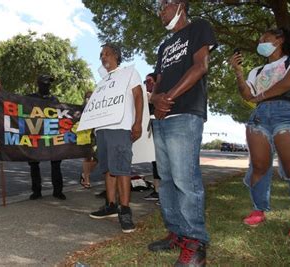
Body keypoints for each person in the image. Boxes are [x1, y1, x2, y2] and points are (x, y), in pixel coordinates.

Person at [148, 1, 217, 266]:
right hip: (162, 117)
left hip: (186, 113)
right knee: (166, 180)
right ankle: (176, 232)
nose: (161, 10)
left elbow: (201, 66)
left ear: (180, 5)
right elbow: (159, 80)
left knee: (185, 179)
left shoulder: (199, 27)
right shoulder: (164, 46)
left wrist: (169, 98)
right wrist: (156, 100)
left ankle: (195, 243)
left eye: (165, 4)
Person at [229, 28, 290, 241]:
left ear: (280, 39)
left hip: (288, 112)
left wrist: (259, 96)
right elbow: (247, 94)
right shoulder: (255, 71)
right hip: (260, 116)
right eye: (259, 38)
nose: (260, 41)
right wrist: (238, 72)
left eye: (265, 37)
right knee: (259, 165)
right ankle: (258, 209)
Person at [88, 43, 144, 234]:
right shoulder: (102, 82)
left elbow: (138, 97)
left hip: (120, 127)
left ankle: (125, 210)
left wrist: (137, 123)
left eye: (107, 54)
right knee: (108, 168)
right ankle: (110, 205)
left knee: (122, 169)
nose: (103, 57)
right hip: (102, 130)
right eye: (101, 55)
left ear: (116, 56)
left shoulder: (128, 73)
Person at [142, 73, 161, 203]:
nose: (147, 84)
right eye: (145, 82)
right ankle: (157, 191)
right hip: (151, 133)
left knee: (163, 162)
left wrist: (153, 99)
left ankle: (165, 192)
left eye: (149, 81)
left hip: (161, 132)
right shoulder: (145, 99)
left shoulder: (161, 95)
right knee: (155, 162)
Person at [79, 91, 97, 189]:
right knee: (88, 157)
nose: (89, 99)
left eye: (91, 97)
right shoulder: (81, 109)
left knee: (98, 158)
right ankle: (86, 179)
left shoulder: (99, 106)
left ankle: (84, 174)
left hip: (96, 134)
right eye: (87, 97)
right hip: (86, 135)